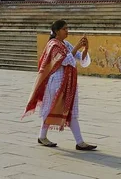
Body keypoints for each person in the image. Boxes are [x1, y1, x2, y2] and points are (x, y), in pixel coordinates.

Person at [23, 20, 97, 151]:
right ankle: (43, 136)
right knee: (50, 108)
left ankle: (79, 142)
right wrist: (76, 48)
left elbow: (80, 58)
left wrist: (85, 48)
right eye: (64, 29)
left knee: (71, 110)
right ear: (57, 31)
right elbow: (64, 60)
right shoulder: (53, 45)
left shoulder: (65, 44)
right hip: (56, 82)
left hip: (68, 83)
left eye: (67, 28)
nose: (67, 31)